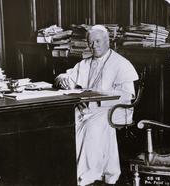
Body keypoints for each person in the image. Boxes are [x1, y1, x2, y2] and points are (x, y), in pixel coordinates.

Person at [54, 25, 139, 186]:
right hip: (89, 108)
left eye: (98, 41)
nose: (94, 46)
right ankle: (70, 170)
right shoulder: (86, 63)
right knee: (67, 121)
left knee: (92, 126)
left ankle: (87, 175)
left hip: (115, 109)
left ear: (108, 41)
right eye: (91, 42)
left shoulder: (121, 63)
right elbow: (66, 77)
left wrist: (98, 100)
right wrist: (63, 79)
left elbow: (127, 96)